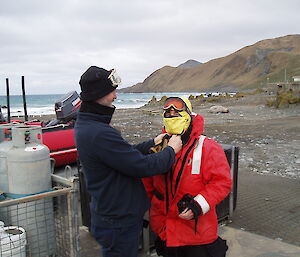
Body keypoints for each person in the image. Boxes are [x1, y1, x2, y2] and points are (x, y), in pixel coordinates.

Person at [74, 66, 182, 257]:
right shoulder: (99, 132)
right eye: (111, 91)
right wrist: (171, 151)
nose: (115, 96)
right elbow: (141, 166)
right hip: (117, 222)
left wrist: (152, 143)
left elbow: (123, 155)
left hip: (110, 216)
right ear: (98, 94)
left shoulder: (90, 125)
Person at [143, 96, 232, 257]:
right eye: (168, 114)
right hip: (165, 231)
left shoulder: (208, 147)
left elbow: (222, 182)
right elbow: (147, 184)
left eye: (177, 112)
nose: (171, 117)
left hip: (197, 234)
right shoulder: (158, 147)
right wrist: (141, 213)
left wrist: (198, 205)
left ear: (189, 116)